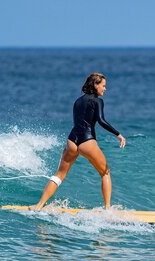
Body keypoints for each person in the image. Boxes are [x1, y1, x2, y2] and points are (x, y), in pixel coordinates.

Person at [30, 72, 126, 210]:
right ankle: (108, 210)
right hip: (86, 140)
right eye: (103, 86)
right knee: (105, 172)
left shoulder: (78, 101)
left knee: (60, 174)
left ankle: (38, 205)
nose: (105, 89)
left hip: (72, 140)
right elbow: (101, 120)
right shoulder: (98, 101)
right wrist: (118, 134)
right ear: (95, 85)